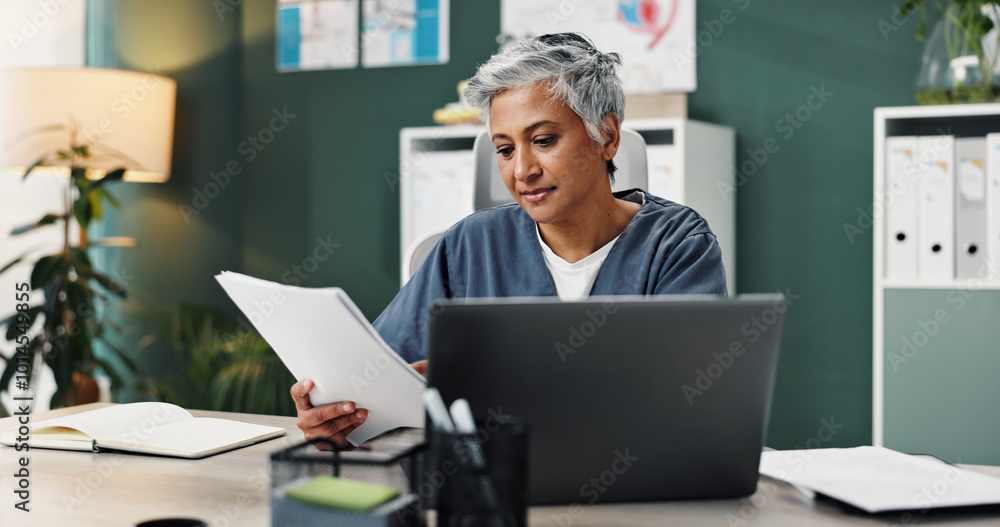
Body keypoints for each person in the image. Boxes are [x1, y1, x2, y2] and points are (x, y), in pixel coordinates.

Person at [292, 32, 727, 448]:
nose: (522, 171)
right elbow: (376, 375)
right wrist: (337, 413)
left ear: (607, 137)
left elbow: (687, 404)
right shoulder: (469, 245)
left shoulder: (677, 246)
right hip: (486, 488)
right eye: (504, 149)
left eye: (543, 140)